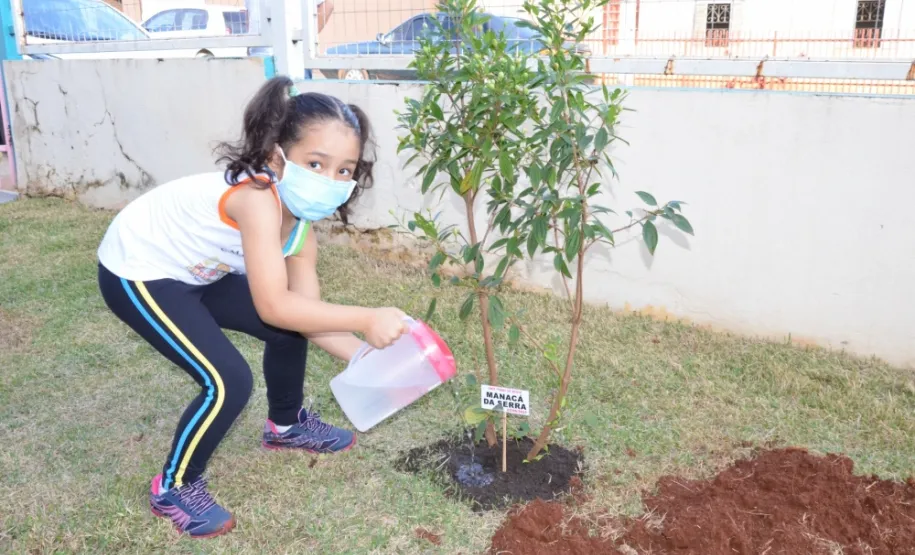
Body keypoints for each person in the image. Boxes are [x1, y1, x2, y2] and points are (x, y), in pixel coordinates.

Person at [96, 75, 407, 539]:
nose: (330, 180)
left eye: (344, 170)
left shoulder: (300, 226)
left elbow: (304, 313)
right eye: (315, 163)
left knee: (288, 330)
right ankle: (174, 487)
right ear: (275, 157)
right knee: (228, 381)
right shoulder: (257, 199)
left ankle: (285, 425)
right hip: (140, 270)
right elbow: (275, 305)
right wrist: (366, 318)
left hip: (199, 271)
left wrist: (373, 360)